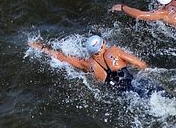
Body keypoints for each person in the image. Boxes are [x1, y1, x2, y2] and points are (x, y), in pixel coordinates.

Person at [28, 35, 163, 97]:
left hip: (123, 95)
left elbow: (62, 57)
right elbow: (141, 64)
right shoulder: (114, 51)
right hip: (137, 84)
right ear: (102, 45)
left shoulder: (88, 64)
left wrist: (40, 47)